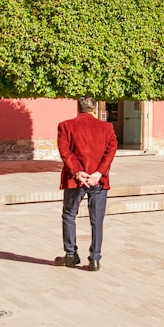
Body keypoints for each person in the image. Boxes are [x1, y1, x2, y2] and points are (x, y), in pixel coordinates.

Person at [56, 96, 117, 271]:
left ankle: (70, 254)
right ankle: (95, 258)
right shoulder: (107, 127)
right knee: (96, 220)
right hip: (98, 180)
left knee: (69, 215)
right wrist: (98, 173)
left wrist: (77, 172)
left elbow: (65, 152)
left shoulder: (65, 126)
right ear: (95, 109)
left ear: (78, 108)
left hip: (75, 179)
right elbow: (110, 151)